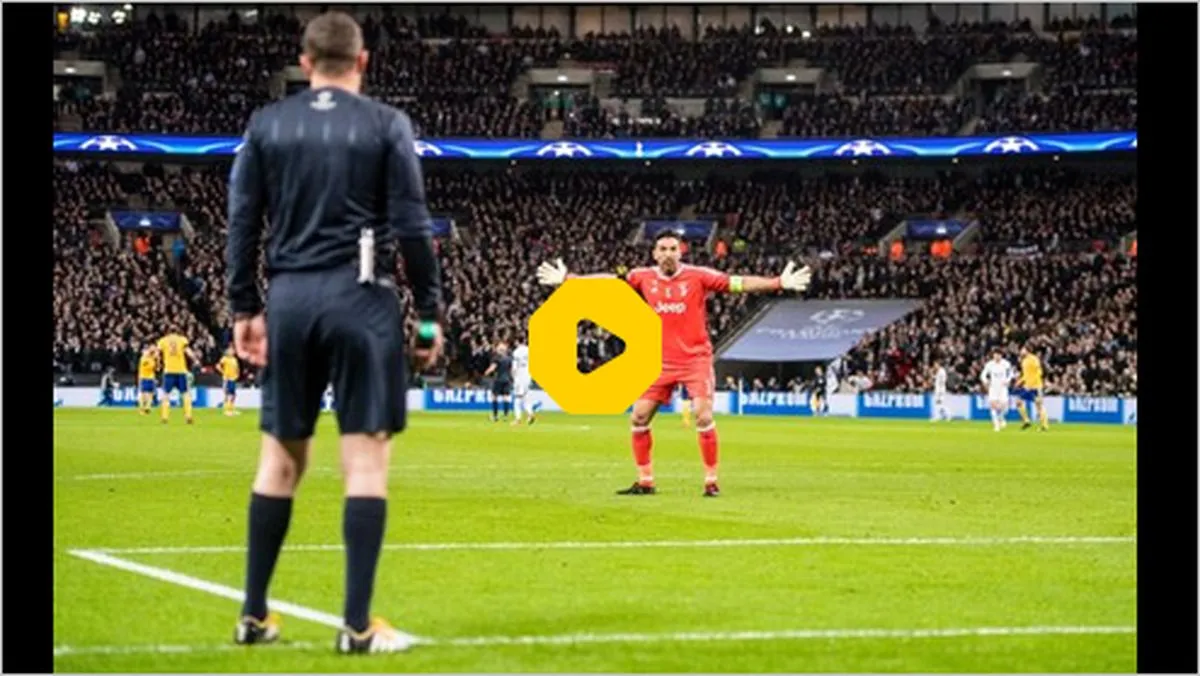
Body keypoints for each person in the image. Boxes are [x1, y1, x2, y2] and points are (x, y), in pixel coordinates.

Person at [225, 11, 443, 655]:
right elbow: (414, 226)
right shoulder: (386, 124)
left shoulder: (266, 125)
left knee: (279, 460)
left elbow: (242, 221)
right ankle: (356, 627)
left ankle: (253, 616)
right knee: (365, 462)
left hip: (290, 298)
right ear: (362, 61)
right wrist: (429, 315)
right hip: (361, 296)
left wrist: (244, 308)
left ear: (305, 61)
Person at [536, 232, 810, 497]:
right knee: (639, 417)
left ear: (681, 252)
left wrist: (777, 282)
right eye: (663, 249)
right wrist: (569, 279)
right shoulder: (642, 276)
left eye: (673, 249)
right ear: (654, 254)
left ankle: (711, 481)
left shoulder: (698, 276)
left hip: (694, 359)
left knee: (703, 415)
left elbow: (736, 282)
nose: (668, 254)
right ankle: (645, 481)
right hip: (658, 361)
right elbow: (608, 283)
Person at [156, 329, 197, 424]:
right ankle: (188, 416)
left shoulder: (163, 340)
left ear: (168, 332)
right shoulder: (182, 340)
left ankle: (164, 417)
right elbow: (188, 351)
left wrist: (158, 364)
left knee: (166, 394)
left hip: (169, 370)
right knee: (185, 393)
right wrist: (195, 359)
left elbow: (158, 354)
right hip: (181, 370)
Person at [1014, 345, 1049, 431]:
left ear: (1027, 350)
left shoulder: (1034, 359)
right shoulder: (1024, 361)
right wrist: (1020, 382)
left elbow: (1039, 372)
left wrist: (1033, 383)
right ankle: (1026, 421)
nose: (1021, 351)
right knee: (1018, 401)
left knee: (1039, 405)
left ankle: (1044, 425)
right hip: (1027, 386)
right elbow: (1026, 375)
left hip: (1035, 386)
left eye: (1022, 349)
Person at [980, 350, 1015, 432]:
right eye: (995, 355)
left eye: (998, 355)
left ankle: (1001, 417)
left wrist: (1007, 381)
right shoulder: (989, 364)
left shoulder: (1006, 364)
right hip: (993, 387)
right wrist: (986, 381)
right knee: (993, 406)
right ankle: (996, 425)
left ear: (1001, 355)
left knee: (1005, 408)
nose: (996, 356)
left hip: (1003, 388)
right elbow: (983, 375)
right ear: (993, 355)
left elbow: (1011, 374)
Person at [483, 341, 513, 422]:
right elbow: (511, 370)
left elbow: (492, 367)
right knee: (506, 397)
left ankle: (495, 416)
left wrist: (486, 372)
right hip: (507, 380)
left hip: (498, 379)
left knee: (494, 397)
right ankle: (506, 416)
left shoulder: (496, 358)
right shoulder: (509, 358)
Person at [510, 341, 535, 425]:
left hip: (519, 377)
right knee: (526, 398)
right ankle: (530, 413)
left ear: (517, 342)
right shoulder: (529, 350)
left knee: (517, 399)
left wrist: (513, 378)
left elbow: (514, 368)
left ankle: (518, 419)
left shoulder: (516, 352)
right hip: (528, 377)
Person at [218, 347, 241, 416]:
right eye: (230, 351)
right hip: (227, 379)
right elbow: (218, 366)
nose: (232, 352)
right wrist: (223, 372)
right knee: (228, 394)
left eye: (232, 351)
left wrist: (237, 374)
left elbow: (237, 368)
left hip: (233, 378)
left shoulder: (234, 359)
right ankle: (227, 411)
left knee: (233, 395)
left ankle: (232, 409)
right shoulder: (225, 359)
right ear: (227, 352)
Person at [137, 346, 159, 415]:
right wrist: (155, 358)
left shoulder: (152, 358)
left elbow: (157, 369)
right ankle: (142, 408)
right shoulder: (143, 359)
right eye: (145, 351)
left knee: (151, 393)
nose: (146, 352)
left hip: (151, 378)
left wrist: (157, 360)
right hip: (144, 378)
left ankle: (148, 408)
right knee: (144, 393)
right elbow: (149, 368)